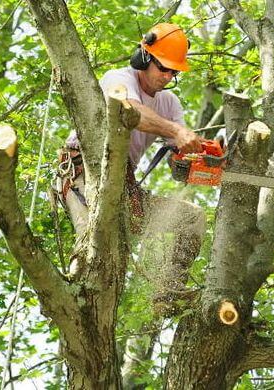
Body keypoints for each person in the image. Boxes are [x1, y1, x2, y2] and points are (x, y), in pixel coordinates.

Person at [56, 23, 206, 313]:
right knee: (94, 246)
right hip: (85, 172)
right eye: (163, 68)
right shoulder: (119, 79)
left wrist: (199, 156)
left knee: (192, 218)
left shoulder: (169, 104)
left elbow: (179, 156)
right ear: (144, 58)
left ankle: (168, 292)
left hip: (124, 185)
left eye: (174, 72)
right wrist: (175, 131)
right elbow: (133, 113)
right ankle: (70, 300)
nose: (167, 76)